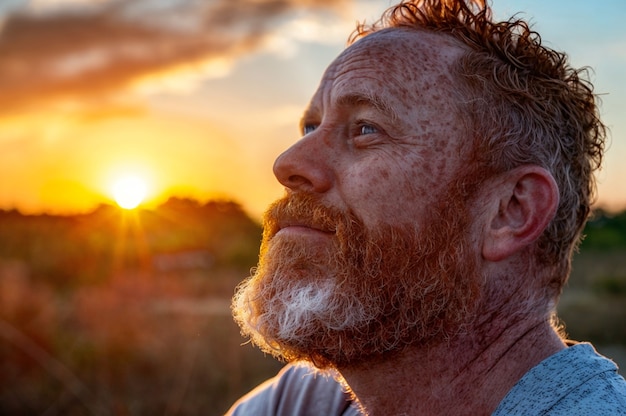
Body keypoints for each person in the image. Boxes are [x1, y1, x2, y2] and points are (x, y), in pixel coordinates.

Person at [228, 0, 626, 414]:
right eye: (311, 127)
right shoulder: (308, 400)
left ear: (510, 211)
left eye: (366, 129)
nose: (287, 163)